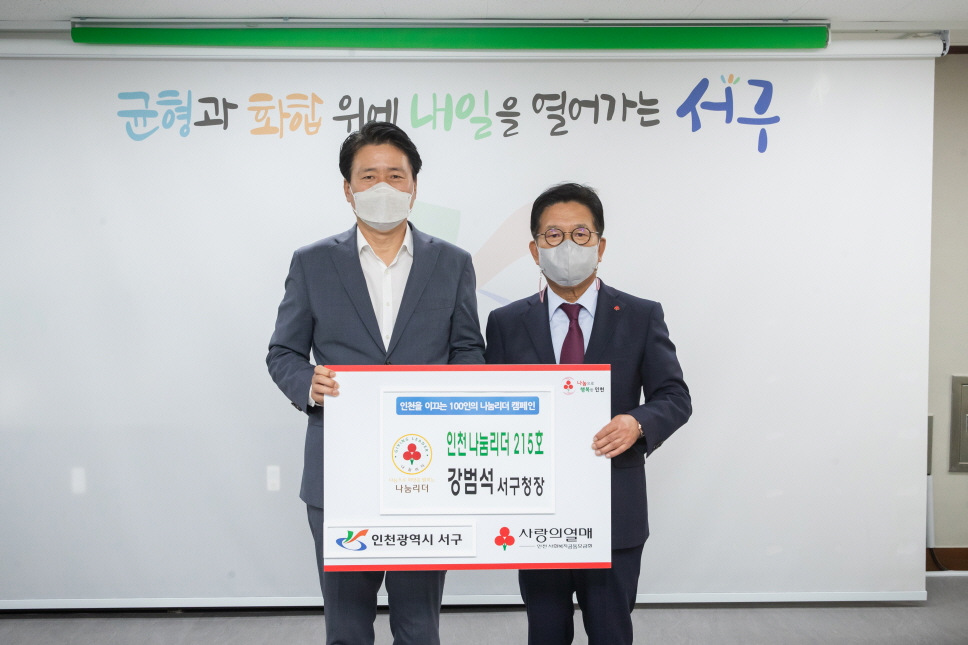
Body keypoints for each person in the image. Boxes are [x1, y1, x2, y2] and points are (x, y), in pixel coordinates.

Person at [266, 121, 485, 645]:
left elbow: (468, 349)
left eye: (395, 175)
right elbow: (283, 352)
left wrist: (455, 394)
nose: (382, 187)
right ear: (348, 189)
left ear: (414, 186)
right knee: (346, 627)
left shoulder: (453, 263)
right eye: (368, 176)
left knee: (419, 627)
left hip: (426, 469)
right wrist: (308, 383)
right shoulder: (312, 263)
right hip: (339, 471)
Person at [484, 182, 691, 645]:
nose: (567, 245)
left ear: (600, 245)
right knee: (546, 632)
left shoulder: (640, 315)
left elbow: (674, 396)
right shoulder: (506, 323)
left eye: (580, 234)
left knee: (611, 632)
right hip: (537, 510)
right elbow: (491, 406)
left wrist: (637, 423)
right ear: (535, 250)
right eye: (553, 235)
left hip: (614, 509)